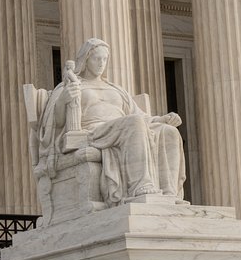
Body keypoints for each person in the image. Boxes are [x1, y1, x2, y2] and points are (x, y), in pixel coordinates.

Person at [37, 38, 185, 205]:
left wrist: (162, 119)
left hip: (125, 128)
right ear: (86, 60)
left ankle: (168, 193)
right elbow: (53, 124)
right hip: (94, 133)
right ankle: (140, 186)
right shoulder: (70, 85)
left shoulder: (116, 88)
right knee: (133, 124)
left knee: (168, 131)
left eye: (105, 59)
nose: (101, 63)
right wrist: (63, 100)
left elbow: (139, 115)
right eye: (96, 59)